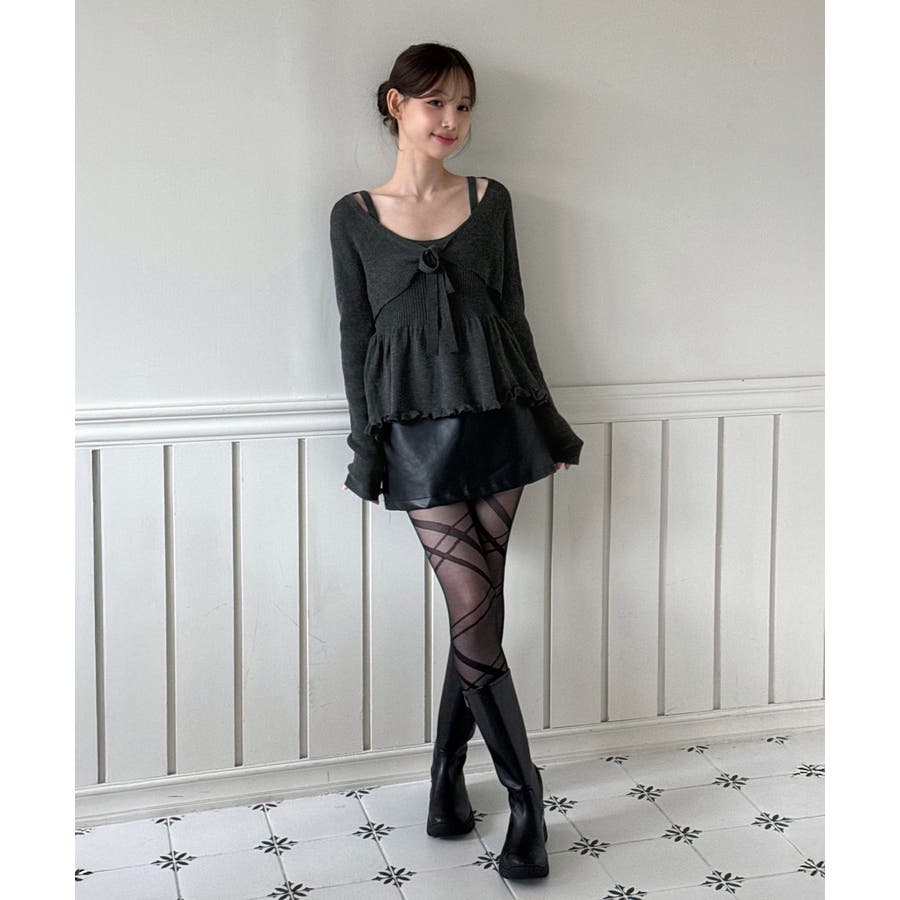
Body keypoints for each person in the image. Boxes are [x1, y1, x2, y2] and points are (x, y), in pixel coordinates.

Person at [328, 42, 584, 881]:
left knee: (477, 619)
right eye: (436, 102)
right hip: (413, 433)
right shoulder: (353, 215)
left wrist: (547, 420)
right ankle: (526, 797)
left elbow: (514, 315)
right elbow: (356, 336)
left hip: (500, 420)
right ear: (396, 104)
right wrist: (367, 445)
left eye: (464, 105)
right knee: (474, 608)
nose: (452, 120)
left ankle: (446, 779)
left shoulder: (490, 200)